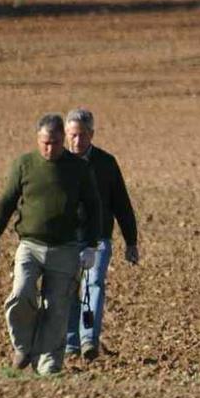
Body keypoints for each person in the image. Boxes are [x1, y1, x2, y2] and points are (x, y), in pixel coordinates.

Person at [0, 114, 101, 375]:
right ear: (38, 139)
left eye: (57, 143)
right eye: (46, 143)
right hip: (30, 246)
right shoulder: (24, 165)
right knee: (21, 294)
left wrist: (91, 246)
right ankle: (24, 346)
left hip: (66, 249)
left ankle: (48, 366)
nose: (51, 148)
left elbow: (94, 207)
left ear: (63, 140)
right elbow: (6, 204)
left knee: (57, 309)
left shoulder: (78, 169)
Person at [63, 108, 139, 361]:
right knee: (68, 289)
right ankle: (71, 343)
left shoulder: (106, 163)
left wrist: (131, 242)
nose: (77, 141)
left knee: (93, 285)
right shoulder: (57, 164)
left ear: (92, 134)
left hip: (98, 238)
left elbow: (121, 203)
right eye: (72, 135)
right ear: (66, 134)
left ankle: (88, 339)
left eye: (82, 135)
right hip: (65, 239)